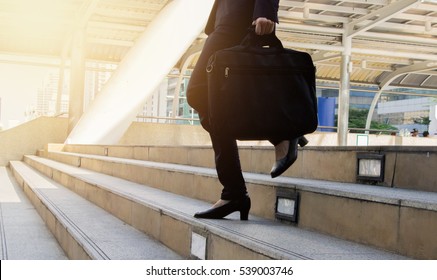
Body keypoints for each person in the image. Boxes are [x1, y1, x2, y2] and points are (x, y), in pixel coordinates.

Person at [186, 0, 307, 220]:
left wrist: (265, 10)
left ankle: (236, 189)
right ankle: (279, 136)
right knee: (216, 102)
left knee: (199, 91)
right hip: (228, 17)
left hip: (239, 17)